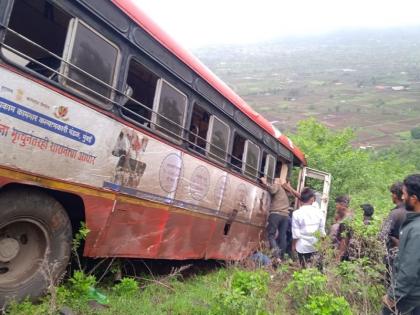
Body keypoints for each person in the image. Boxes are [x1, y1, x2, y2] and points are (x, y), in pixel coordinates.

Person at [382, 174, 420, 315]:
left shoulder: (416, 228)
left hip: (408, 297)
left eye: (404, 194)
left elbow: (409, 269)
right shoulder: (412, 220)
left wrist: (392, 297)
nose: (402, 198)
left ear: (414, 199)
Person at [261, 177, 299, 260]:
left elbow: (272, 190)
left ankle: (276, 254)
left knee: (270, 235)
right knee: (282, 236)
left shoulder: (277, 186)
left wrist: (265, 183)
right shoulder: (286, 193)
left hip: (276, 214)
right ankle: (281, 258)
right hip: (285, 216)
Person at [291, 187, 326, 267]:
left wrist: (293, 246)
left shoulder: (296, 213)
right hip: (316, 246)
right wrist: (323, 246)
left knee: (303, 270)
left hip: (302, 247)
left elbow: (296, 234)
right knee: (317, 271)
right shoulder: (320, 213)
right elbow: (322, 233)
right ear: (312, 199)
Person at [380, 182, 407, 274]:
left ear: (395, 195)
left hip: (395, 256)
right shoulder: (413, 212)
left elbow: (382, 235)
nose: (391, 196)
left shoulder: (395, 213)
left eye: (392, 194)